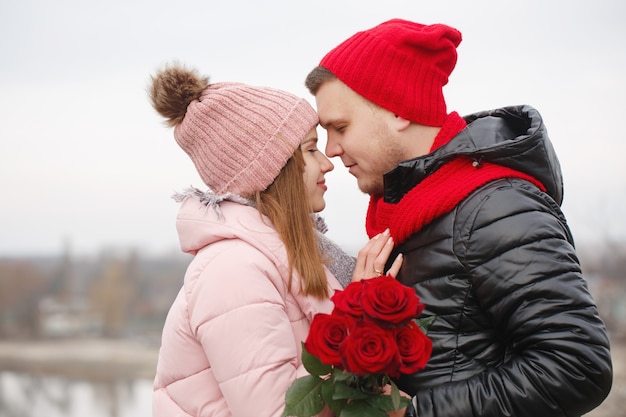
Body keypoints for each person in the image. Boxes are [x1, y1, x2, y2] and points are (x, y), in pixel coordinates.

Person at [304, 18, 613, 417]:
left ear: (399, 109)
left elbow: (578, 366)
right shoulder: (413, 212)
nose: (331, 149)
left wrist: (416, 413)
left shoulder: (494, 207)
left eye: (341, 127)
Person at [148, 63, 404, 417]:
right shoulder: (233, 270)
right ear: (273, 168)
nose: (327, 163)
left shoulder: (289, 254)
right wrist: (358, 314)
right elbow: (278, 412)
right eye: (311, 150)